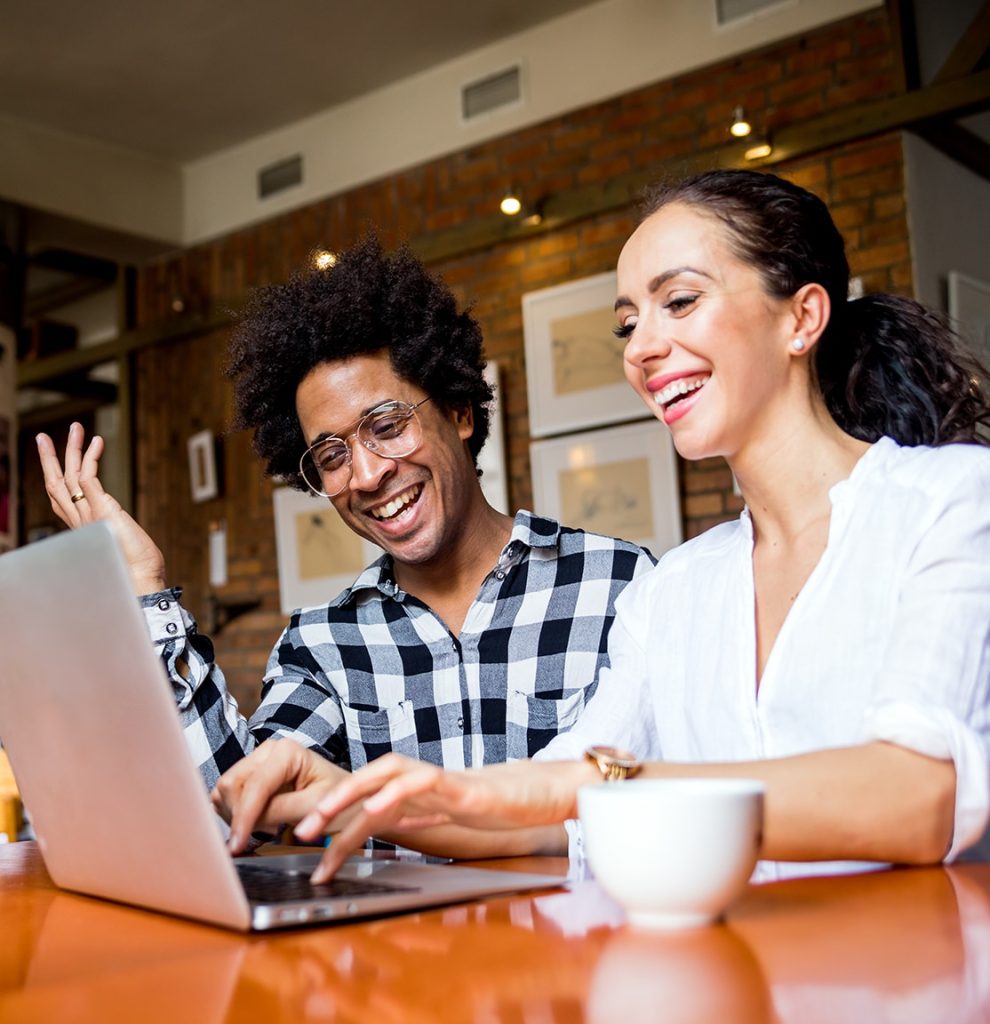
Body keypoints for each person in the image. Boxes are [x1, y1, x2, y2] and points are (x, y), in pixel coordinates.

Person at [213, 169, 990, 883]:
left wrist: (611, 784)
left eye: (679, 301)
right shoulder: (680, 587)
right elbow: (553, 811)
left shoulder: (951, 501)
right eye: (628, 325)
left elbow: (919, 796)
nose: (644, 348)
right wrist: (363, 799)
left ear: (803, 316)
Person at [36, 237, 654, 851]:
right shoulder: (324, 643)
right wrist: (145, 588)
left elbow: (671, 798)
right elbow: (239, 813)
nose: (365, 474)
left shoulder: (622, 588)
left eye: (386, 426)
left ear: (460, 412)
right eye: (331, 455)